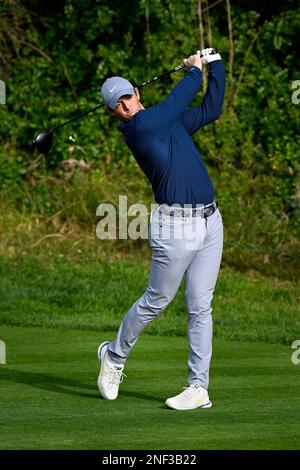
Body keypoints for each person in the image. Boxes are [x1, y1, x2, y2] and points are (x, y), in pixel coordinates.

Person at [98, 48, 225, 410]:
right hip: (175, 227)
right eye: (117, 105)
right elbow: (179, 99)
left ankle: (198, 387)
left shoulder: (164, 121)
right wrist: (193, 70)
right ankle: (115, 355)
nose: (124, 106)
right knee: (157, 301)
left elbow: (209, 110)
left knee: (201, 307)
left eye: (127, 97)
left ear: (136, 93)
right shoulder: (140, 128)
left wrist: (215, 65)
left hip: (211, 221)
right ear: (114, 113)